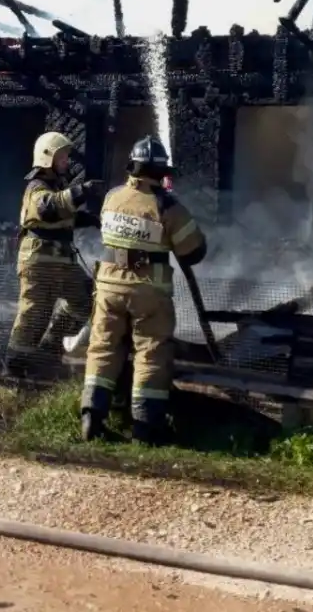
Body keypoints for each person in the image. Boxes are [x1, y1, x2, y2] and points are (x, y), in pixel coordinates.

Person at [80, 135, 207, 446]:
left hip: (108, 287)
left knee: (103, 347)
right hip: (148, 292)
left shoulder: (113, 197)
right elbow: (194, 251)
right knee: (151, 353)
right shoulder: (167, 206)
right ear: (161, 171)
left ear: (132, 167)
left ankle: (91, 417)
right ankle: (145, 429)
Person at [6, 131, 104, 380]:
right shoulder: (36, 187)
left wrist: (91, 219)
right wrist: (82, 191)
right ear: (47, 158)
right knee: (34, 315)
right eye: (62, 157)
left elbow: (61, 215)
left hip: (61, 261)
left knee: (86, 300)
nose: (66, 162)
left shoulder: (57, 187)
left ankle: (50, 347)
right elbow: (48, 209)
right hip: (39, 263)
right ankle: (15, 365)